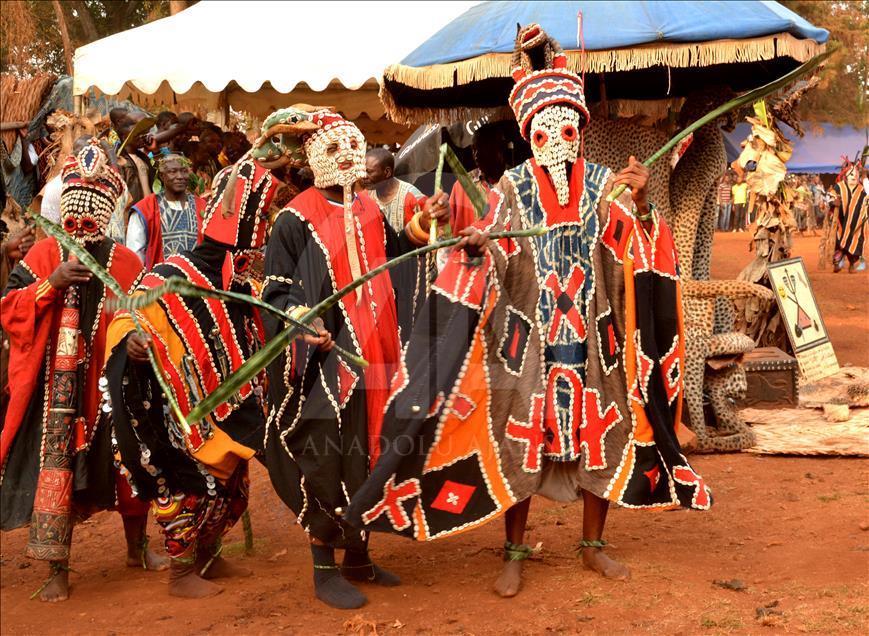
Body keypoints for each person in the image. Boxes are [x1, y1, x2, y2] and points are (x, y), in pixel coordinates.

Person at [345, 23, 710, 600]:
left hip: (595, 339)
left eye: (568, 128)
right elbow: (488, 244)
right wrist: (477, 246)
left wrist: (640, 208)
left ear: (581, 132)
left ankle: (593, 545)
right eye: (545, 130)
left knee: (602, 434)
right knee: (521, 438)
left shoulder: (603, 187)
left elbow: (634, 253)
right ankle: (515, 551)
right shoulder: (510, 189)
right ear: (529, 134)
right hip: (527, 343)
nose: (558, 139)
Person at [261, 106, 453, 610]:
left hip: (377, 351)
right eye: (334, 149)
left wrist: (421, 223)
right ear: (313, 157)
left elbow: (394, 255)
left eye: (354, 147)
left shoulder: (367, 207)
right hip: (326, 363)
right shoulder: (293, 219)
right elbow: (273, 294)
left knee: (370, 451)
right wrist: (303, 322)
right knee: (329, 453)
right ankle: (324, 568)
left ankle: (358, 556)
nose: (348, 158)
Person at [103, 152, 284, 598]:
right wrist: (134, 342)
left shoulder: (244, 283)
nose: (259, 238)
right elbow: (129, 314)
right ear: (233, 230)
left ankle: (208, 556)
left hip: (232, 399)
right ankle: (180, 571)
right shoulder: (176, 271)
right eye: (255, 226)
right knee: (188, 484)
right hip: (181, 409)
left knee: (234, 483)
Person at [1, 140, 167, 603]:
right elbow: (8, 307)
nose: (82, 219)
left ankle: (138, 547)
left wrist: (137, 341)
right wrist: (50, 285)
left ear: (109, 208)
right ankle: (58, 567)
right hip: (57, 386)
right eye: (75, 207)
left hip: (113, 385)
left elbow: (144, 313)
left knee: (132, 462)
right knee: (59, 468)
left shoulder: (125, 261)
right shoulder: (43, 256)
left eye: (93, 207)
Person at [125, 154, 207, 269]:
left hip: (196, 282)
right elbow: (135, 254)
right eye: (173, 172)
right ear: (162, 176)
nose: (180, 176)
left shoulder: (203, 207)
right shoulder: (146, 209)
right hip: (159, 284)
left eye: (184, 171)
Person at [449, 123, 509, 234]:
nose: (476, 155)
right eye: (474, 149)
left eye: (483, 148)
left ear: (499, 149)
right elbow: (447, 232)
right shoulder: (463, 185)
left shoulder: (516, 181)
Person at [364, 147, 425, 232]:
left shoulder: (413, 198)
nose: (363, 176)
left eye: (369, 172)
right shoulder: (365, 196)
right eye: (363, 171)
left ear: (387, 172)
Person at [831, 158, 867, 273]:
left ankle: (852, 264)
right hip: (841, 221)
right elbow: (829, 197)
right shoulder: (838, 186)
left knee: (855, 242)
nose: (853, 176)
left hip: (856, 223)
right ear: (845, 174)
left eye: (855, 174)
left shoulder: (862, 189)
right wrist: (832, 202)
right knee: (838, 241)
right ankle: (837, 263)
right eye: (850, 173)